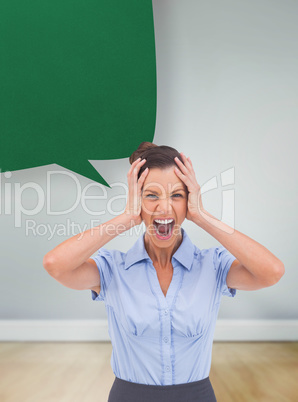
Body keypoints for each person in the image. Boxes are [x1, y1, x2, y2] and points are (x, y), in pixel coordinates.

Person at [43, 142, 285, 402]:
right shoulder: (112, 269)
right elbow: (55, 264)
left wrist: (202, 216)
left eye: (177, 195)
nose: (165, 208)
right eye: (152, 195)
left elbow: (271, 272)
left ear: (189, 200)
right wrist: (126, 218)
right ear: (137, 200)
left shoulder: (212, 266)